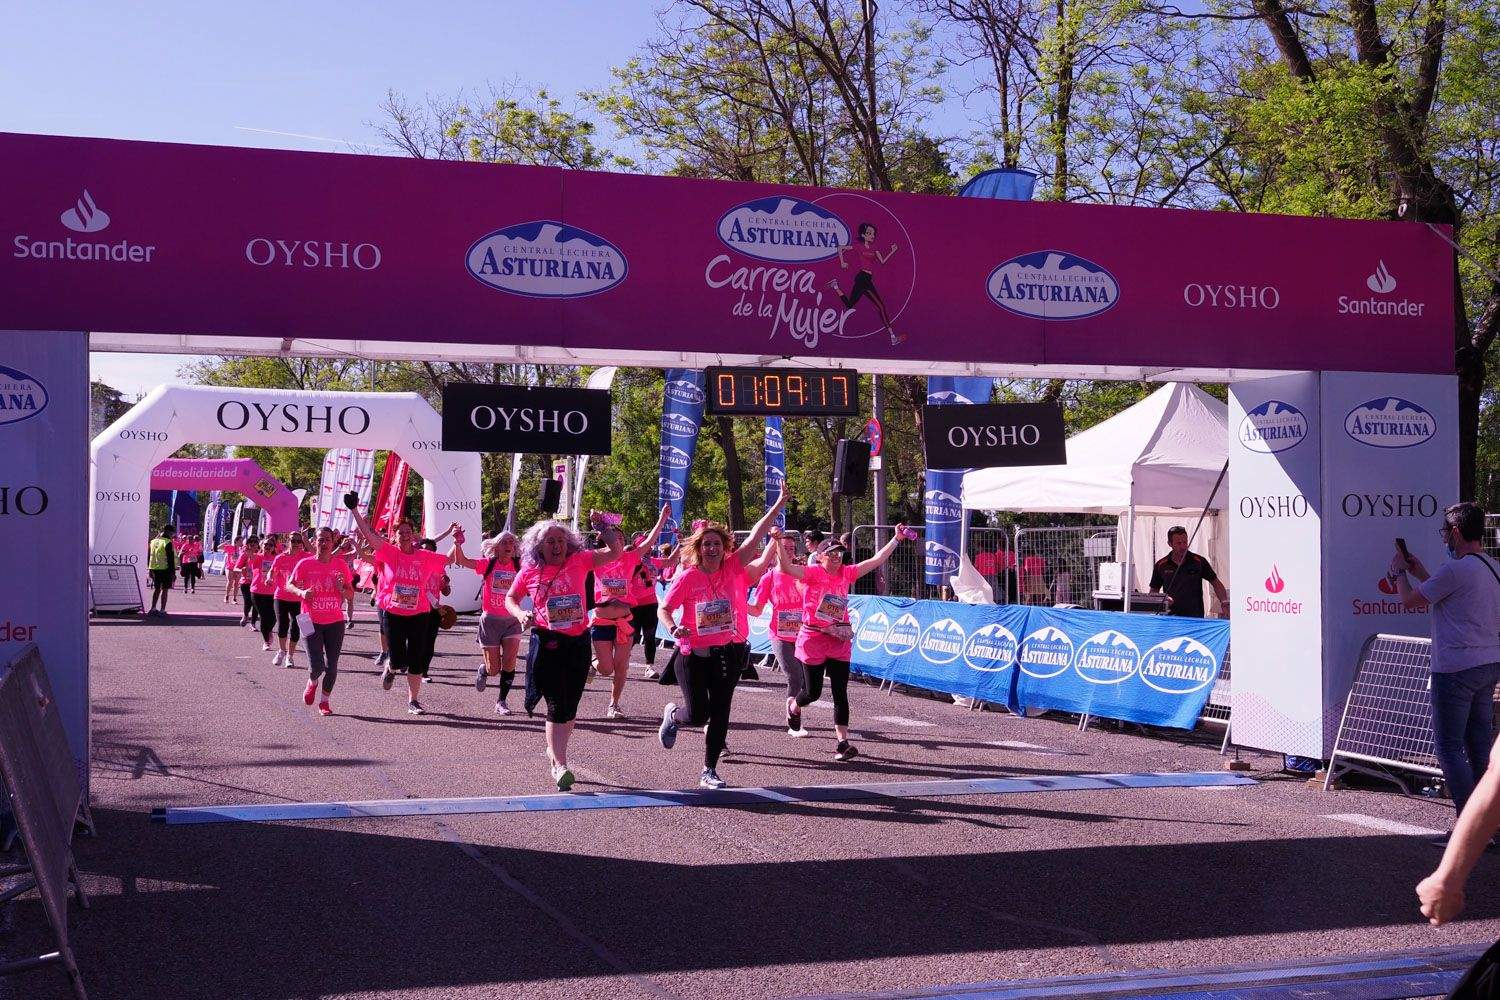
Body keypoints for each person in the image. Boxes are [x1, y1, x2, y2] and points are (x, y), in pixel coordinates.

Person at [1390, 502, 1500, 842]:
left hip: (1454, 668)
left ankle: (1469, 828)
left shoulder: (1456, 569)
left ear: (1455, 531)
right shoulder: (1492, 566)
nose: (1444, 539)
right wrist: (1421, 572)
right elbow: (1446, 594)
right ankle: (1490, 825)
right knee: (1479, 749)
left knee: (1449, 749)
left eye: (1444, 533)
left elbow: (1410, 601)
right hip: (1487, 664)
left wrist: (1398, 575)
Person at [657, 495, 784, 789]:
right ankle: (674, 715)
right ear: (699, 549)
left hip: (727, 652)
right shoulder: (688, 577)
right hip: (693, 654)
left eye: (716, 543)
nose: (712, 548)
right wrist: (674, 628)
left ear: (724, 547)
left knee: (720, 712)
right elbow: (664, 609)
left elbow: (756, 535)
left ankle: (709, 770)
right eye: (706, 544)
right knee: (697, 713)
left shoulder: (733, 567)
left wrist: (777, 506)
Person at [505, 515, 624, 791]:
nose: (557, 546)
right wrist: (520, 614)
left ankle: (555, 749)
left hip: (578, 642)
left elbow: (615, 552)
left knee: (570, 705)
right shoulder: (529, 571)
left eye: (560, 540)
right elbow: (510, 597)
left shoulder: (580, 560)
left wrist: (603, 527)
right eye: (550, 541)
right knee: (557, 703)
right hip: (548, 641)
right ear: (539, 546)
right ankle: (560, 765)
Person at [777, 526, 909, 761]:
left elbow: (876, 560)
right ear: (820, 557)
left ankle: (842, 743)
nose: (837, 557)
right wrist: (777, 541)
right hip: (813, 638)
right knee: (812, 693)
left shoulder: (847, 573)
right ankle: (794, 707)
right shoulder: (812, 573)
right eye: (832, 554)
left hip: (839, 637)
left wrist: (896, 540)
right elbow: (787, 568)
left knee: (840, 692)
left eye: (839, 553)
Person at [347, 503, 449, 715]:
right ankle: (391, 666)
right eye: (400, 532)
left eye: (408, 532)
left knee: (416, 658)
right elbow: (369, 535)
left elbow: (451, 559)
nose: (404, 535)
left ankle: (413, 701)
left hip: (419, 614)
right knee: (398, 659)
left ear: (414, 535)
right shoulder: (389, 552)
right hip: (393, 614)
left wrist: (457, 542)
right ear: (395, 536)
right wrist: (355, 510)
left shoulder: (424, 556)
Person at [590, 505, 670, 719]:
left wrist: (662, 518)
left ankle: (614, 704)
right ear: (603, 538)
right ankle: (594, 663)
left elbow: (650, 541)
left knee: (621, 667)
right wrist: (596, 521)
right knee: (606, 669)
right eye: (612, 536)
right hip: (602, 622)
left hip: (625, 621)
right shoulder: (595, 558)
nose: (617, 539)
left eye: (620, 537)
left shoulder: (630, 558)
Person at [451, 528, 524, 714]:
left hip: (512, 620)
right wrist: (457, 543)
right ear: (496, 547)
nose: (508, 545)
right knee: (494, 670)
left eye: (511, 542)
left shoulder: (519, 566)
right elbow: (462, 561)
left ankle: (501, 701)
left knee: (510, 662)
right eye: (504, 542)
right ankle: (484, 670)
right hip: (490, 621)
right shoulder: (489, 564)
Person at [285, 527, 356, 716]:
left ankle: (324, 702)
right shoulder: (304, 564)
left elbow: (350, 594)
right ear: (314, 542)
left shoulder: (340, 565)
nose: (323, 543)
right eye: (320, 540)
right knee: (316, 666)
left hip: (335, 621)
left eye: (327, 540)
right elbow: (289, 585)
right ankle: (313, 681)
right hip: (307, 619)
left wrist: (341, 589)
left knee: (331, 666)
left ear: (333, 542)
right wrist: (301, 593)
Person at [749, 531, 811, 737]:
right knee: (794, 675)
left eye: (792, 548)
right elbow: (757, 610)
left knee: (807, 681)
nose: (790, 552)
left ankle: (794, 709)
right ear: (775, 551)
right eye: (785, 548)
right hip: (780, 635)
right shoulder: (768, 578)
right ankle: (794, 721)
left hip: (804, 633)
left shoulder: (802, 572)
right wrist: (738, 603)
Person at [828, 222, 904, 346]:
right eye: (869, 233)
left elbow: (882, 261)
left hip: (867, 279)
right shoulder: (859, 246)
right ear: (863, 235)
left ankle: (835, 286)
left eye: (873, 233)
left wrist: (892, 251)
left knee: (850, 304)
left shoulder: (875, 248)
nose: (872, 235)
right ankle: (892, 337)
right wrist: (842, 262)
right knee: (881, 306)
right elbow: (840, 248)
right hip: (862, 278)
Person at [1148, 526, 1228, 618]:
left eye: (1185, 542)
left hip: (1195, 618)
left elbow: (1216, 583)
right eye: (1179, 543)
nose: (1183, 546)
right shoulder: (1161, 565)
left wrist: (1224, 602)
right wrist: (1162, 600)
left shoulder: (1199, 561)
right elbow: (1154, 591)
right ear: (1169, 544)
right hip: (1170, 618)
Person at [415, 530, 456, 684]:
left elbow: (445, 592)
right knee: (415, 640)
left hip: (433, 610)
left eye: (430, 550)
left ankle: (423, 671)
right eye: (424, 549)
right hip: (415, 608)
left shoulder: (440, 568)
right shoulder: (415, 565)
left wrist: (446, 584)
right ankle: (411, 664)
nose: (427, 551)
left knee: (429, 642)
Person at [629, 536, 672, 680]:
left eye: (650, 546)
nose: (648, 549)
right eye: (644, 546)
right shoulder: (631, 561)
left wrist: (680, 544)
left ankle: (649, 667)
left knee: (650, 636)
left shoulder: (652, 561)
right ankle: (619, 659)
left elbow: (670, 561)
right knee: (633, 637)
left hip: (651, 604)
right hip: (633, 605)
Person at [269, 532, 308, 668]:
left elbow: (320, 555)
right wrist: (269, 578)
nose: (296, 543)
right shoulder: (280, 557)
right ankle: (281, 651)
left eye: (298, 541)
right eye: (293, 541)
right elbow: (272, 571)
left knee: (297, 627)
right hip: (281, 596)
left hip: (299, 597)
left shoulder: (306, 557)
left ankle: (290, 656)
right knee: (283, 624)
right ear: (288, 541)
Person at [249, 533, 280, 651]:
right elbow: (250, 556)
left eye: (271, 545)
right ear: (262, 545)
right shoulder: (257, 557)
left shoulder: (277, 558)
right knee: (263, 616)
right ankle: (266, 641)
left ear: (274, 547)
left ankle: (269, 630)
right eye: (266, 544)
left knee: (273, 617)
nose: (268, 546)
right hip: (257, 591)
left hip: (273, 592)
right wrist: (250, 547)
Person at [146, 524, 177, 617]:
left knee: (157, 589)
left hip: (154, 568)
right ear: (169, 532)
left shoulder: (153, 541)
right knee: (165, 589)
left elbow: (149, 556)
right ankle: (162, 610)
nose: (172, 535)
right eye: (172, 534)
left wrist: (149, 569)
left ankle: (153, 608)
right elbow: (170, 559)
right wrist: (173, 573)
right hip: (165, 569)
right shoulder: (167, 542)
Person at [235, 537, 262, 628]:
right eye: (251, 542)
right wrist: (242, 570)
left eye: (255, 542)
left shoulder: (260, 555)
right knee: (248, 601)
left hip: (257, 583)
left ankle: (253, 623)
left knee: (256, 604)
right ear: (247, 544)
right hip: (246, 582)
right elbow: (236, 568)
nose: (253, 544)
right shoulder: (244, 555)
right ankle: (245, 615)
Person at [222, 539, 241, 603]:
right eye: (240, 541)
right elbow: (219, 547)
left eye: (241, 541)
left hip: (238, 568)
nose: (241, 542)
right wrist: (225, 543)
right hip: (230, 567)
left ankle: (234, 599)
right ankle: (226, 596)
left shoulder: (241, 549)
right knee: (230, 581)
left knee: (236, 583)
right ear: (236, 542)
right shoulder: (230, 547)